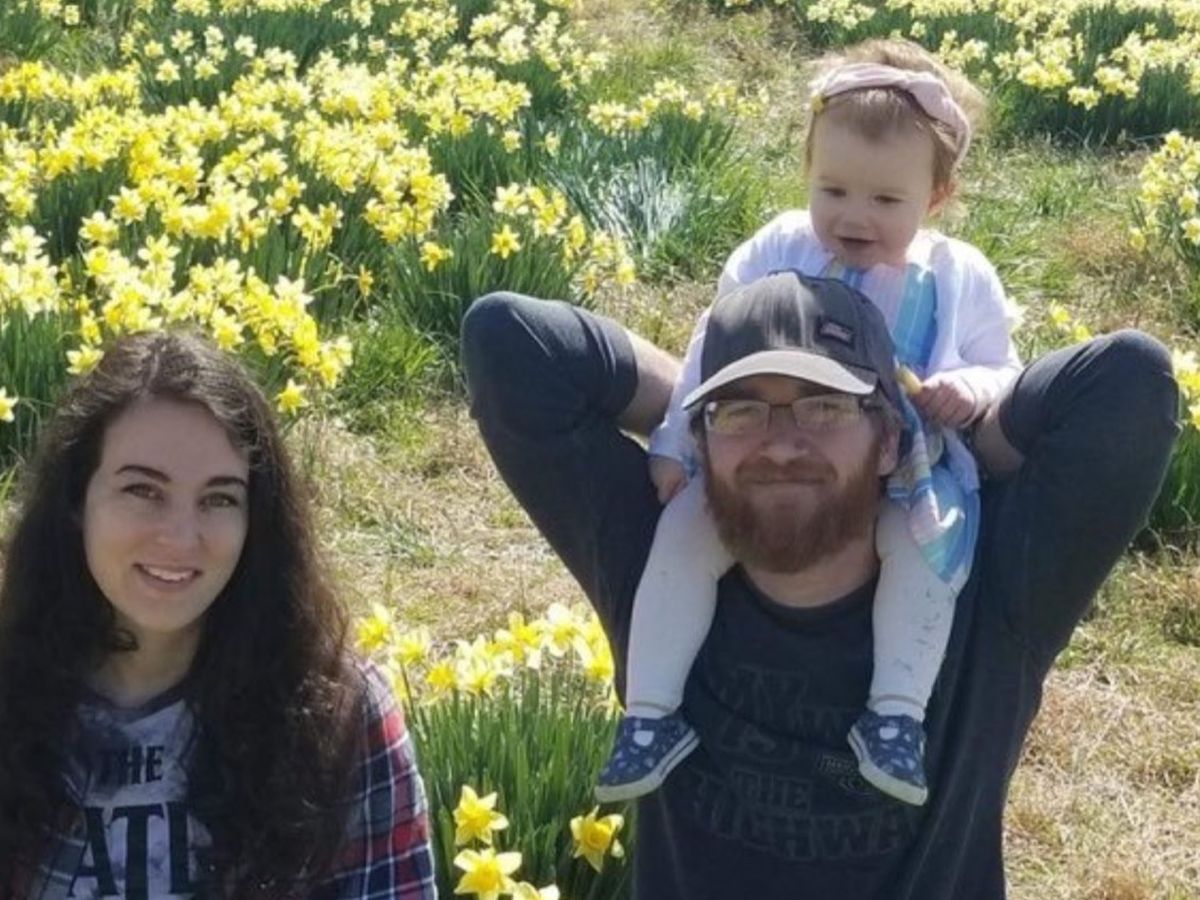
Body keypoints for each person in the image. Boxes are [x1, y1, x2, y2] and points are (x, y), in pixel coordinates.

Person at [461, 272, 1178, 899]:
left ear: (888, 438)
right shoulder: (656, 575)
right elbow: (509, 340)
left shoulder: (986, 586)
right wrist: (685, 416)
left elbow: (1128, 383)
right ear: (701, 437)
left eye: (824, 406)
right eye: (741, 409)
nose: (780, 444)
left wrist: (963, 441)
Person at [602, 37, 1021, 808]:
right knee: (683, 536)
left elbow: (1003, 367)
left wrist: (969, 387)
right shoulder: (779, 248)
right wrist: (671, 443)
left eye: (886, 201)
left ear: (937, 196)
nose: (854, 217)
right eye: (833, 189)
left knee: (924, 558)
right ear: (806, 172)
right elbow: (708, 346)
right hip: (769, 452)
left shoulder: (957, 276)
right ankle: (650, 714)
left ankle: (894, 715)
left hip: (906, 469)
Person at [0, 332, 437, 899]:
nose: (182, 537)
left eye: (219, 499)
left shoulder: (342, 716)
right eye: (143, 491)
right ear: (76, 502)